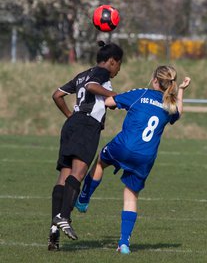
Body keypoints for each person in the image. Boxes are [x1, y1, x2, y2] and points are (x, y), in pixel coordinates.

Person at [75, 65, 191, 254]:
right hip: (145, 156)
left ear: (155, 80)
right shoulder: (168, 105)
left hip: (124, 146)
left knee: (100, 162)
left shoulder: (140, 93)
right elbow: (178, 110)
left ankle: (84, 198)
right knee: (130, 196)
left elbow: (109, 102)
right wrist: (182, 91)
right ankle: (124, 243)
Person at [48, 41, 123, 251]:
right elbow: (92, 87)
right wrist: (114, 95)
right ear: (112, 61)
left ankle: (54, 231)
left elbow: (57, 95)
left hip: (71, 125)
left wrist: (71, 116)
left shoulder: (82, 74)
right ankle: (64, 216)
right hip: (87, 126)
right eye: (119, 65)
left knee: (64, 175)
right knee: (78, 173)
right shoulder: (102, 73)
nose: (118, 70)